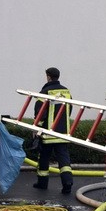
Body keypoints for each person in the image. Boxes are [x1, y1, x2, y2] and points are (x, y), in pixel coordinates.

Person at [33, 67, 74, 195]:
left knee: (44, 158)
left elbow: (40, 112)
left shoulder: (45, 92)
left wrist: (37, 129)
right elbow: (70, 109)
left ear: (48, 76)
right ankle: (67, 183)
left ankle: (42, 183)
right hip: (62, 132)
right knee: (64, 160)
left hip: (47, 133)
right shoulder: (66, 92)